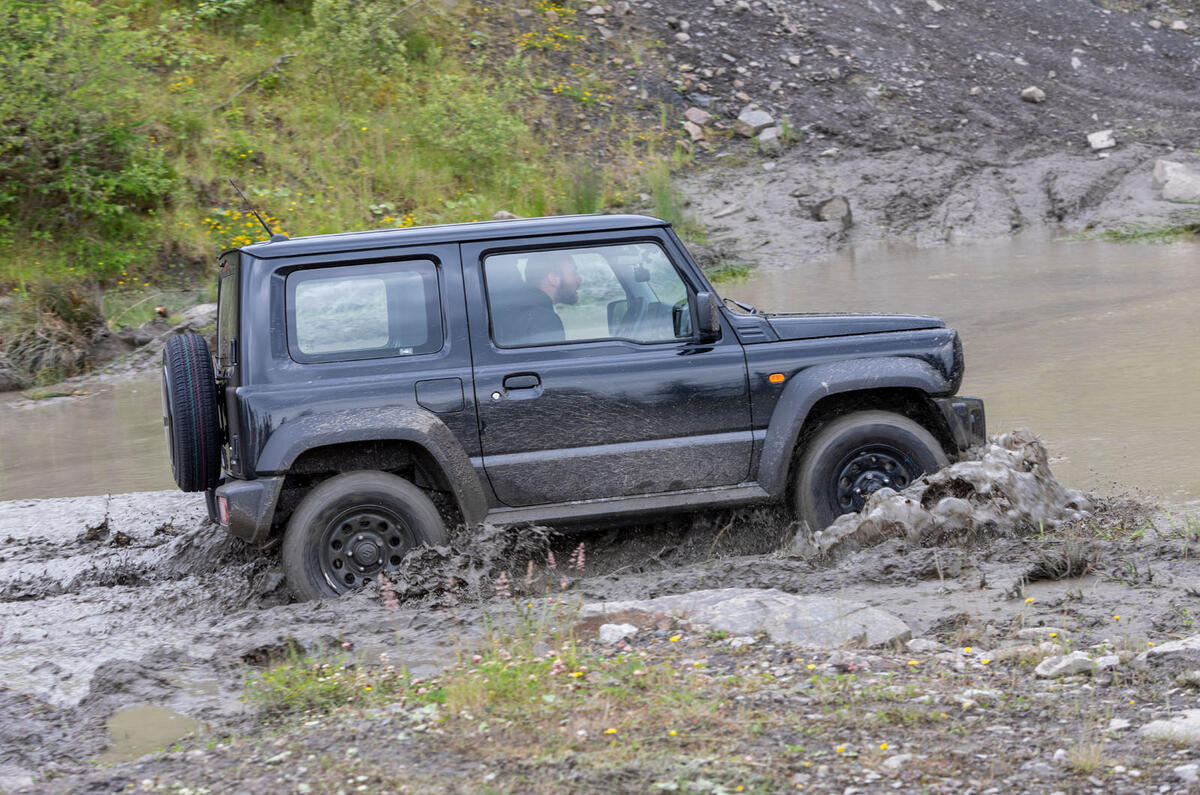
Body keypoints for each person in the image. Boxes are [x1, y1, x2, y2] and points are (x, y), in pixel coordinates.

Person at [492, 252, 582, 345]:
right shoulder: (545, 321)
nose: (579, 279)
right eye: (573, 273)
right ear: (553, 278)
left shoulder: (509, 310)